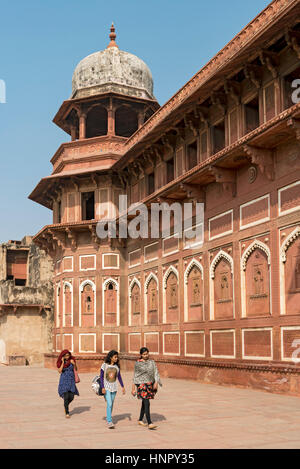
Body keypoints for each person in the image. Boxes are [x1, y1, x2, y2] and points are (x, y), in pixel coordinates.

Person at [131, 347, 162, 430]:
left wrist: (156, 382)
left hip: (150, 384)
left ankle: (140, 419)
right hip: (141, 385)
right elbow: (135, 376)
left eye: (147, 354)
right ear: (141, 355)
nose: (146, 355)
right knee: (147, 402)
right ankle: (150, 423)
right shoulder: (138, 363)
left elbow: (156, 372)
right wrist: (133, 388)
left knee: (144, 403)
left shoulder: (152, 362)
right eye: (144, 354)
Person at [100, 350, 125, 429]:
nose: (116, 358)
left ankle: (108, 417)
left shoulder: (116, 367)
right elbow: (101, 376)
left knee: (111, 404)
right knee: (109, 404)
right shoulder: (104, 365)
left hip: (114, 388)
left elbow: (119, 377)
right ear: (111, 357)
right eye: (115, 357)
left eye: (117, 357)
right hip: (106, 387)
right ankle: (109, 421)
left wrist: (123, 386)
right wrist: (102, 387)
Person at [57, 349, 79, 418]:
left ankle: (65, 405)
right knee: (66, 396)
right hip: (64, 380)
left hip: (71, 380)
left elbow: (76, 369)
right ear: (63, 356)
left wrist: (74, 364)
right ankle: (67, 412)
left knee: (71, 397)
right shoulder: (60, 361)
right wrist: (63, 362)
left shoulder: (72, 360)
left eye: (68, 355)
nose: (67, 357)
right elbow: (60, 371)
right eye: (66, 356)